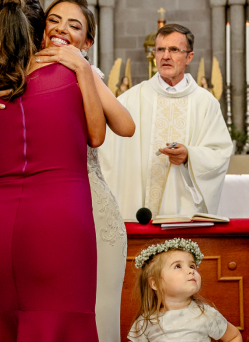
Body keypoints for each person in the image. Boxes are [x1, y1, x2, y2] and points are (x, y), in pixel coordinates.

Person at [0, 0, 135, 342]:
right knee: (66, 335)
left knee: (2, 336)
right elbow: (97, 134)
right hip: (59, 223)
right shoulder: (70, 74)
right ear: (39, 31)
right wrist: (84, 71)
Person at [98, 24, 233, 220]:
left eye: (174, 50)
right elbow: (104, 148)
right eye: (160, 49)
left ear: (189, 57)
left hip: (182, 213)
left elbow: (219, 153)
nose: (165, 56)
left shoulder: (205, 103)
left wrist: (189, 156)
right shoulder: (130, 99)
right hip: (136, 213)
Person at [102, 239, 249, 342]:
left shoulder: (205, 314)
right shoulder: (146, 322)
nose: (191, 270)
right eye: (178, 266)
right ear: (155, 283)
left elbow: (233, 337)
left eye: (192, 266)